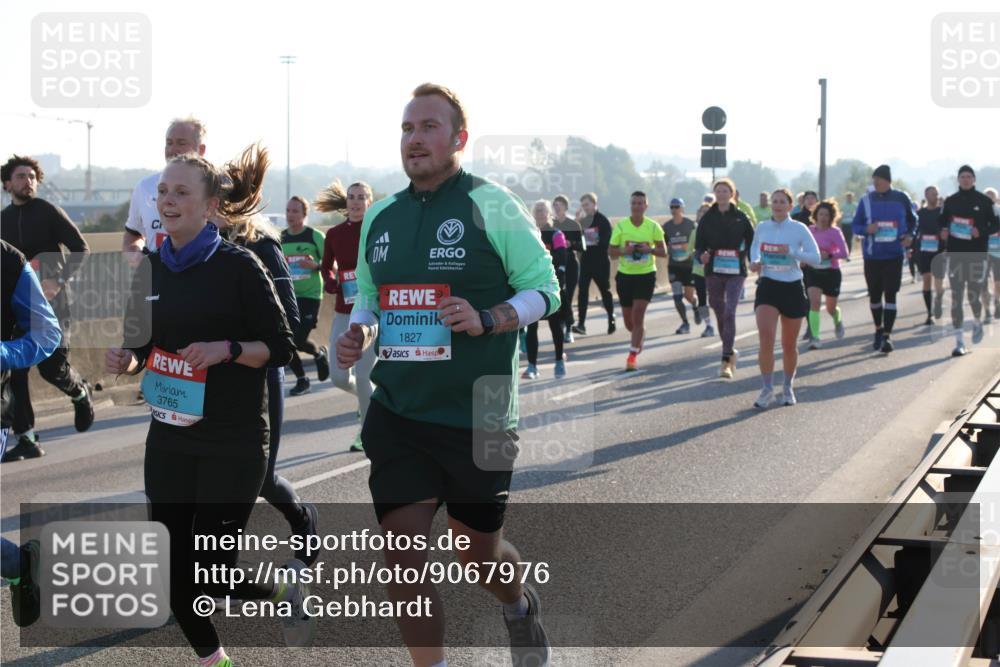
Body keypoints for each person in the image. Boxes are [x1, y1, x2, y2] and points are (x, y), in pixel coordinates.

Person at [335, 83, 556, 667]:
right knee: (403, 556)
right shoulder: (380, 214)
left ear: (459, 138)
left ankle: (517, 603)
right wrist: (360, 331)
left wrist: (488, 318)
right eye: (408, 128)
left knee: (476, 553)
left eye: (429, 127)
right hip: (402, 410)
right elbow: (371, 297)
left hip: (480, 409)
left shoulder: (492, 203)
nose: (415, 138)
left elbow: (545, 289)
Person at [106, 145, 310, 665]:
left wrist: (228, 350)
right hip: (170, 437)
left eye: (180, 192)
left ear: (210, 205)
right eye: (162, 192)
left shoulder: (240, 266)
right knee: (173, 573)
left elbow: (282, 347)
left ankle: (283, 593)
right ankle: (216, 661)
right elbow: (141, 345)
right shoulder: (149, 268)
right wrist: (126, 360)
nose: (167, 200)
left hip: (233, 440)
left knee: (208, 574)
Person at [216, 210, 320, 565]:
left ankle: (302, 519)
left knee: (259, 479)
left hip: (259, 374)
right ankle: (216, 571)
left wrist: (237, 343)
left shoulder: (262, 245)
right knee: (213, 478)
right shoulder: (193, 247)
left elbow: (289, 322)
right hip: (210, 380)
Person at [0, 154, 94, 462]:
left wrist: (58, 281)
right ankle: (26, 438)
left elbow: (81, 248)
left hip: (52, 305)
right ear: (6, 184)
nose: (27, 181)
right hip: (15, 307)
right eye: (20, 176)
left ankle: (80, 393)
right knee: (14, 370)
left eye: (31, 176)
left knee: (52, 368)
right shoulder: (3, 220)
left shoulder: (48, 211)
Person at [1, 239, 61, 627]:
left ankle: (20, 562)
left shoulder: (8, 263)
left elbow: (46, 334)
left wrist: (2, 353)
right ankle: (19, 562)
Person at [317, 179, 376, 452]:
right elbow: (327, 267)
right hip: (343, 309)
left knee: (364, 376)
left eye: (361, 196)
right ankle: (368, 401)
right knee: (339, 377)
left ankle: (367, 433)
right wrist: (330, 282)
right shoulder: (335, 234)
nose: (355, 201)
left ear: (369, 202)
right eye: (351, 196)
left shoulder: (377, 231)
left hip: (370, 311)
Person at [750, 189, 820, 407]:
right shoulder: (762, 227)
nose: (778, 205)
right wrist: (755, 262)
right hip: (768, 285)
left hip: (791, 287)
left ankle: (788, 386)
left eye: (782, 202)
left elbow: (816, 258)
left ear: (790, 206)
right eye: (775, 202)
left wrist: (793, 252)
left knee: (789, 345)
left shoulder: (799, 229)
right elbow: (755, 249)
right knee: (766, 339)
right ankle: (767, 388)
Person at [851, 165, 916, 354]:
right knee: (874, 295)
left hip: (894, 254)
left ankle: (887, 336)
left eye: (877, 179)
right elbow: (856, 225)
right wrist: (866, 229)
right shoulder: (866, 200)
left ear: (887, 180)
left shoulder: (901, 198)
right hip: (872, 255)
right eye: (873, 179)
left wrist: (910, 235)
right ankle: (878, 329)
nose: (875, 182)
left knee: (891, 294)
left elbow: (913, 220)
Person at [122, 117, 207, 262]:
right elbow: (133, 234)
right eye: (169, 143)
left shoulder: (216, 187)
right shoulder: (144, 187)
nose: (173, 150)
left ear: (201, 149)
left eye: (181, 143)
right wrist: (137, 257)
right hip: (156, 280)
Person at [694, 178, 755, 378]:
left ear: (732, 194)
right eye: (718, 191)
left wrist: (754, 260)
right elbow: (699, 245)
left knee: (730, 311)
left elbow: (753, 241)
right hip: (714, 270)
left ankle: (725, 358)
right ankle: (729, 349)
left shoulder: (740, 217)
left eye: (725, 191)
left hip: (736, 271)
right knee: (719, 310)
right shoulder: (707, 218)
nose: (721, 194)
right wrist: (701, 255)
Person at [941, 165, 1000, 357]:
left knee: (973, 294)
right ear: (958, 180)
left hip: (977, 255)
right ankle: (959, 342)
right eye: (962, 177)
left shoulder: (983, 201)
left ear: (974, 180)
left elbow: (995, 224)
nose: (965, 179)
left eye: (969, 176)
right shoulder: (950, 201)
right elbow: (941, 221)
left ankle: (976, 320)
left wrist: (981, 231)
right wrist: (942, 230)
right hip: (955, 254)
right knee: (956, 297)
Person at [608, 191, 666, 371]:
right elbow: (611, 252)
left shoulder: (653, 226)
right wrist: (625, 251)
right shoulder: (622, 226)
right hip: (625, 276)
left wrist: (649, 250)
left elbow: (663, 252)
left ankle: (632, 356)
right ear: (630, 205)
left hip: (646, 274)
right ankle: (639, 335)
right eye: (634, 203)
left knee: (638, 314)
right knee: (629, 321)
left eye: (641, 203)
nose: (637, 206)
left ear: (646, 206)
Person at [281, 196, 330, 396]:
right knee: (287, 341)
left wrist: (316, 266)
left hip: (311, 296)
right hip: (288, 297)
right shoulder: (280, 238)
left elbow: (330, 266)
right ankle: (302, 380)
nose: (290, 215)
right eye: (288, 211)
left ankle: (318, 353)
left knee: (299, 340)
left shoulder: (315, 236)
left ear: (304, 214)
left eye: (295, 211)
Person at [523, 200, 568, 379]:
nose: (540, 214)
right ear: (533, 215)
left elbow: (562, 258)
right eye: (537, 211)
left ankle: (559, 360)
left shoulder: (556, 234)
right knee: (531, 327)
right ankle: (532, 366)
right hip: (532, 285)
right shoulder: (529, 234)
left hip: (550, 285)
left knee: (555, 325)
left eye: (543, 211)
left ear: (549, 214)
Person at [802, 200, 849, 348]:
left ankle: (837, 320)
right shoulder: (809, 230)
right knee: (814, 303)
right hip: (813, 271)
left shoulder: (834, 232)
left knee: (830, 308)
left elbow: (844, 253)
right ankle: (815, 338)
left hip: (831, 272)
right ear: (815, 215)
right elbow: (801, 248)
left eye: (826, 215)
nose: (823, 217)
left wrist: (829, 255)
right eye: (821, 214)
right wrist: (804, 258)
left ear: (831, 217)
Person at [574, 192, 616, 335]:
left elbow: (605, 243)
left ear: (594, 204)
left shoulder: (603, 221)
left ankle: (611, 317)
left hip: (601, 262)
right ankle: (581, 324)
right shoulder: (583, 222)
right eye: (583, 205)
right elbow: (576, 241)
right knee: (582, 293)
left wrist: (591, 238)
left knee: (605, 292)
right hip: (586, 261)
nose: (585, 208)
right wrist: (577, 224)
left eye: (587, 204)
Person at [662, 198, 699, 334]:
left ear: (682, 208)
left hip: (688, 265)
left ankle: (695, 307)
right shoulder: (666, 227)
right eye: (672, 207)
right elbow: (663, 245)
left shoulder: (691, 225)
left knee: (689, 296)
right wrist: (668, 248)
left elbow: (700, 242)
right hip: (674, 265)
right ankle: (685, 323)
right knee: (677, 296)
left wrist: (689, 248)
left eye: (677, 207)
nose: (674, 209)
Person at [553, 194, 583, 343]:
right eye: (555, 206)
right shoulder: (550, 225)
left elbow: (582, 246)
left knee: (569, 296)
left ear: (565, 207)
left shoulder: (573, 224)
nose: (557, 208)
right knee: (558, 297)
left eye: (559, 205)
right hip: (555, 265)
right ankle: (560, 325)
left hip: (571, 263)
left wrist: (570, 244)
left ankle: (569, 328)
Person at [915, 186, 947, 325]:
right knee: (927, 279)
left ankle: (938, 303)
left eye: (936, 194)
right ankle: (930, 313)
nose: (934, 196)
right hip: (924, 251)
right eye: (932, 194)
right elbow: (915, 231)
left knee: (938, 282)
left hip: (939, 250)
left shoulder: (942, 213)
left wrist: (945, 236)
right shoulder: (920, 213)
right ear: (926, 195)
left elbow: (949, 229)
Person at [840, 192, 857, 256]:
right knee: (844, 239)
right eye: (848, 197)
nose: (849, 199)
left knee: (849, 239)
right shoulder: (843, 206)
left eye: (850, 197)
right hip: (844, 224)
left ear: (852, 198)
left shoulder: (855, 205)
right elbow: (839, 214)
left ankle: (848, 254)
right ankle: (844, 252)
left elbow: (858, 214)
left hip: (851, 224)